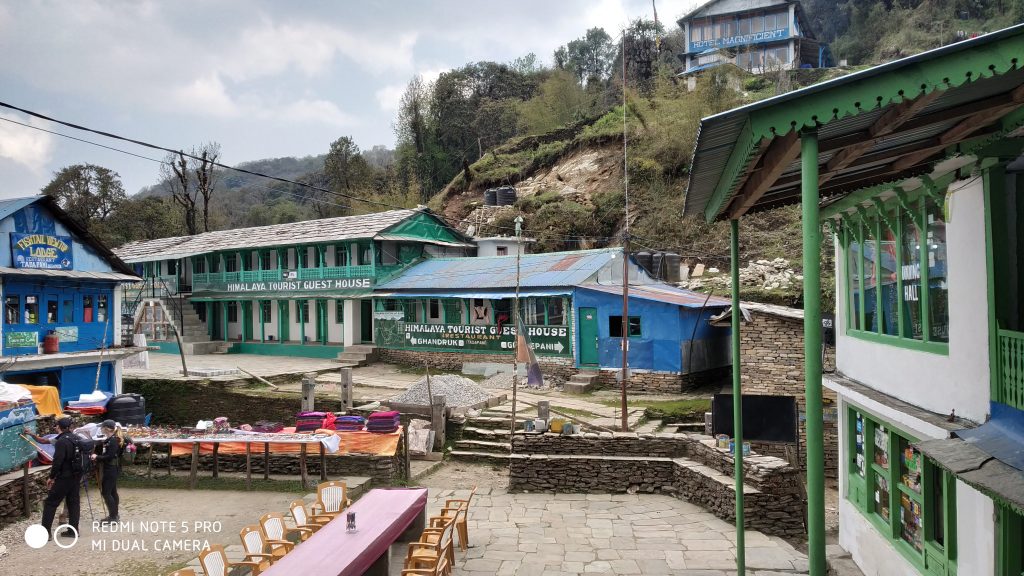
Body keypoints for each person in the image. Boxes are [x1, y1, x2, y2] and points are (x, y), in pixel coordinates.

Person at [40, 417, 81, 539]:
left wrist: (51, 477)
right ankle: (73, 531)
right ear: (70, 427)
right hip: (76, 475)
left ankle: (46, 533)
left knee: (50, 503)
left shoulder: (61, 441)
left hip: (64, 476)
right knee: (73, 503)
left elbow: (58, 461)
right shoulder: (77, 438)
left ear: (58, 427)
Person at [92, 419, 122, 523]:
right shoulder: (110, 439)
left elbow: (109, 456)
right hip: (111, 468)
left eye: (102, 427)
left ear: (106, 429)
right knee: (112, 491)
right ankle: (115, 514)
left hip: (111, 468)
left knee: (106, 492)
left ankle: (113, 516)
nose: (100, 429)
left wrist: (97, 457)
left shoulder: (113, 440)